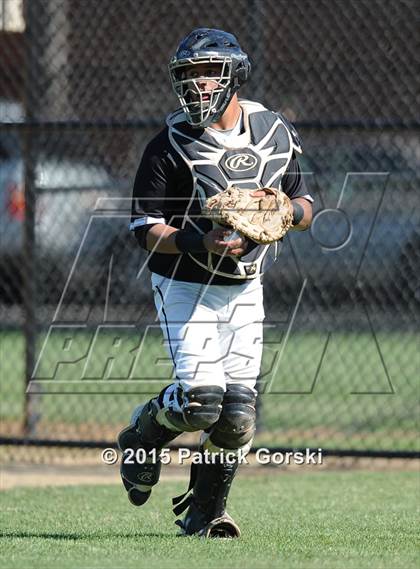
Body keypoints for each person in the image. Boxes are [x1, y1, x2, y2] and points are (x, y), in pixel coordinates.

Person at [118, 27, 313, 537]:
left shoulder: (274, 131)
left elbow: (306, 206)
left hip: (246, 285)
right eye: (187, 76)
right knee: (202, 402)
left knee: (238, 416)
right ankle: (143, 432)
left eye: (207, 72)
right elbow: (145, 230)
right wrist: (198, 242)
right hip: (184, 284)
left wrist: (282, 213)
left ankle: (206, 513)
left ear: (235, 75)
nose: (196, 85)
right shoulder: (169, 145)